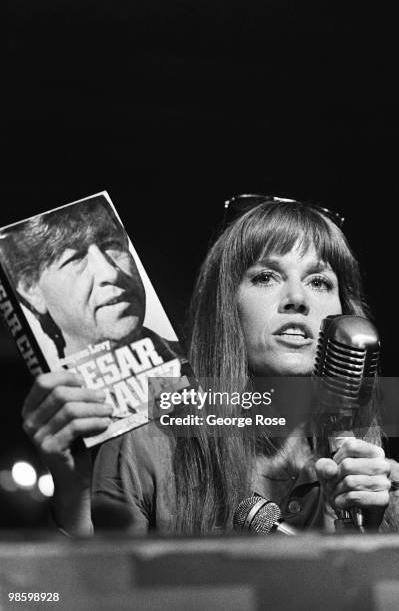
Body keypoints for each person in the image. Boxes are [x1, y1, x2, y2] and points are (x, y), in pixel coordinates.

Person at [22, 196, 399, 535]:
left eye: (319, 282)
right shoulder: (147, 444)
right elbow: (96, 591)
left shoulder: (370, 472)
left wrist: (371, 529)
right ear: (225, 306)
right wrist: (73, 496)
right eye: (265, 277)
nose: (297, 299)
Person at [1, 196, 176, 364]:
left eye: (112, 245)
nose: (110, 274)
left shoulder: (193, 365)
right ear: (30, 288)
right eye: (75, 258)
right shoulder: (35, 390)